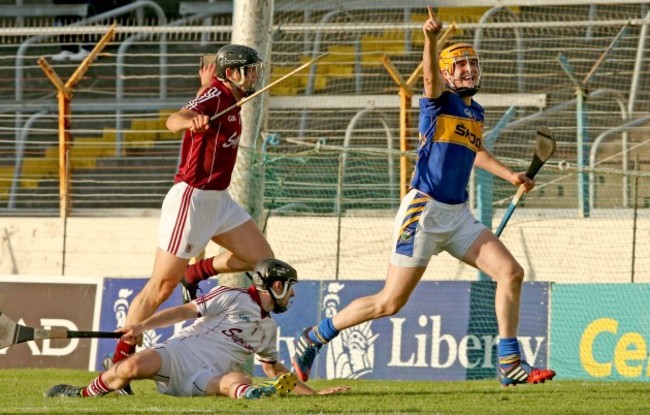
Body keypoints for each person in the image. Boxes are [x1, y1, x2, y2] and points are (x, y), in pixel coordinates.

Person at [290, 8, 557, 387]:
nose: (468, 70)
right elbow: (429, 78)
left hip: (458, 215)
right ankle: (313, 337)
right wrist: (431, 40)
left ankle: (510, 362)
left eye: (472, 63)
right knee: (389, 303)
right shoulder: (438, 102)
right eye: (460, 65)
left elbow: (475, 150)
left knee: (510, 273)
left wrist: (509, 174)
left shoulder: (474, 111)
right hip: (425, 211)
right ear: (449, 73)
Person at [105, 44, 277, 393]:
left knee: (262, 261)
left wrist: (202, 89)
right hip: (193, 198)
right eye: (250, 70)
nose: (255, 75)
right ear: (232, 73)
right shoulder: (216, 94)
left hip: (221, 201)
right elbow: (174, 119)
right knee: (161, 286)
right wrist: (191, 119)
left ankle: (195, 273)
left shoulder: (225, 93)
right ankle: (119, 362)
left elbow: (209, 97)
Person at [45, 259, 350, 399]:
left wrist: (314, 395)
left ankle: (250, 394)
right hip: (179, 353)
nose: (292, 295)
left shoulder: (268, 330)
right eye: (289, 287)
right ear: (275, 284)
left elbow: (273, 370)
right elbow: (184, 311)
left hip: (205, 377)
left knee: (237, 379)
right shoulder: (232, 295)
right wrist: (142, 325)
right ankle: (84, 393)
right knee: (132, 365)